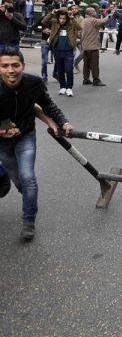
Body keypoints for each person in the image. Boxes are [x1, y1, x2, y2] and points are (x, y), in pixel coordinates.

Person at [0, 48, 74, 241]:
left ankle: (29, 221)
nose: (11, 70)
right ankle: (8, 179)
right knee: (19, 181)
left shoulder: (34, 83)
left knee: (28, 178)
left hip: (26, 136)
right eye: (5, 66)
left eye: (15, 65)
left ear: (23, 66)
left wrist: (63, 122)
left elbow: (48, 105)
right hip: (2, 143)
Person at [41, 8, 81, 97]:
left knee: (68, 69)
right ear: (58, 18)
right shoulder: (55, 23)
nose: (62, 20)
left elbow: (79, 27)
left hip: (69, 51)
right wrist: (51, 13)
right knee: (60, 70)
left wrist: (72, 17)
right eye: (60, 18)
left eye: (64, 18)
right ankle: (62, 87)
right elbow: (44, 22)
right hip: (57, 50)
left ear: (66, 18)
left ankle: (69, 88)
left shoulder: (71, 23)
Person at [81, 7, 114, 86]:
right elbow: (102, 21)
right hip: (93, 46)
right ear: (90, 13)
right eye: (94, 11)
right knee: (94, 64)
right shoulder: (93, 20)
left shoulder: (83, 21)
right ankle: (96, 80)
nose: (96, 12)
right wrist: (110, 15)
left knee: (86, 64)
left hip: (85, 46)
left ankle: (86, 79)